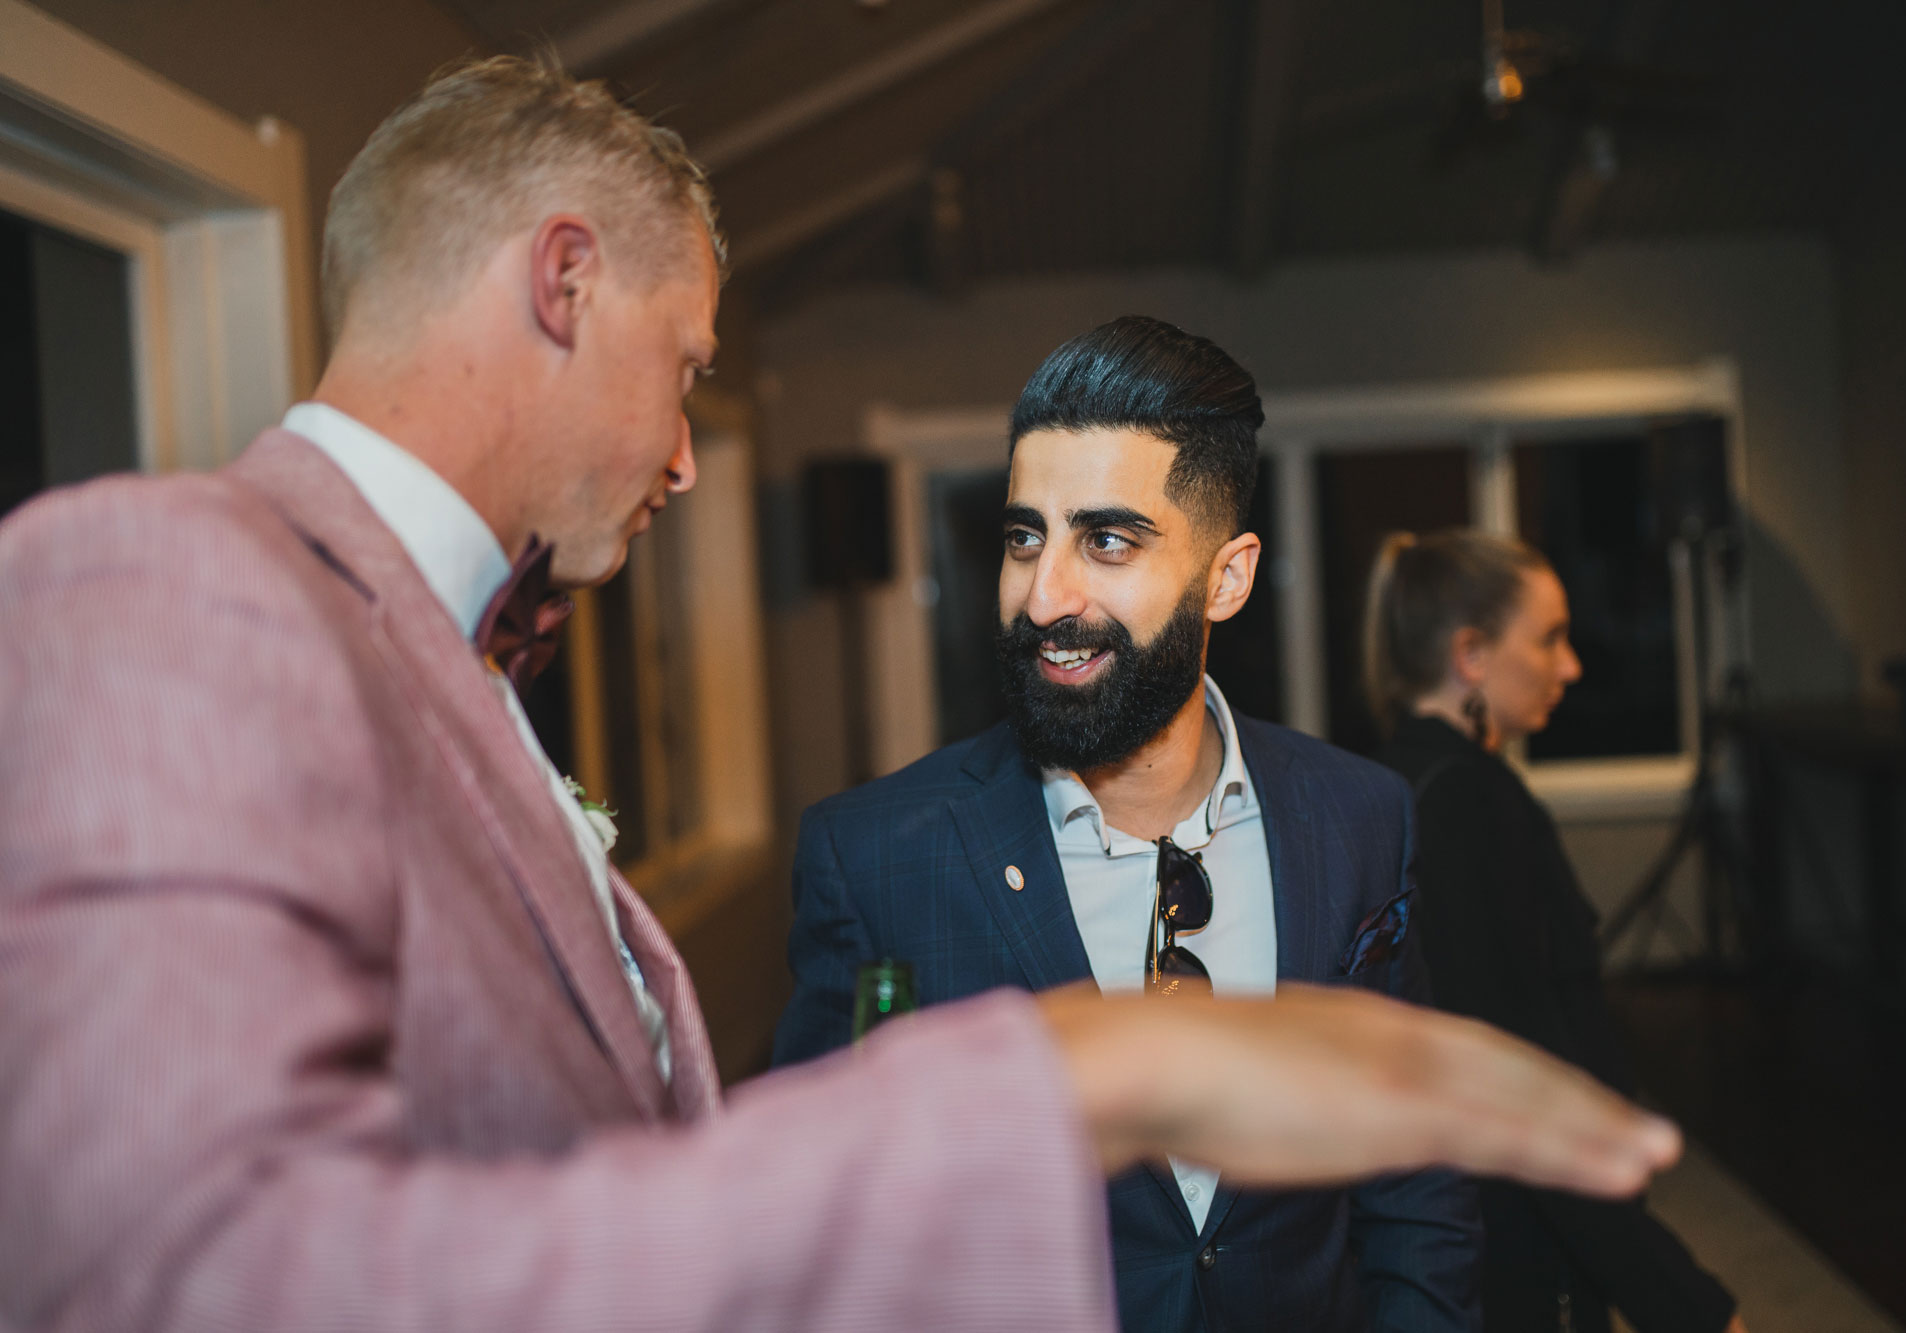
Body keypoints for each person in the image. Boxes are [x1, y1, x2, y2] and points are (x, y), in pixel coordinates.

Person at [0, 55, 1681, 1333]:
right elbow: (173, 1277)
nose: (680, 452)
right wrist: (1079, 1077)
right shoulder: (163, 576)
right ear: (564, 283)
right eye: (688, 369)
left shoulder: (449, 662)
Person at [775, 316, 1483, 1332]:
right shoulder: (878, 859)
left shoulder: (1357, 819)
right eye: (1025, 537)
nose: (1043, 594)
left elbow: (1412, 1174)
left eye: (1105, 539)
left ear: (1227, 577)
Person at [1367, 529, 1745, 1333]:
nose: (1570, 666)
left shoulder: (1389, 786)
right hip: (1515, 1249)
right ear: (1471, 654)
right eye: (1548, 638)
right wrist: (1684, 1304)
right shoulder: (1476, 808)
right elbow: (1530, 1092)